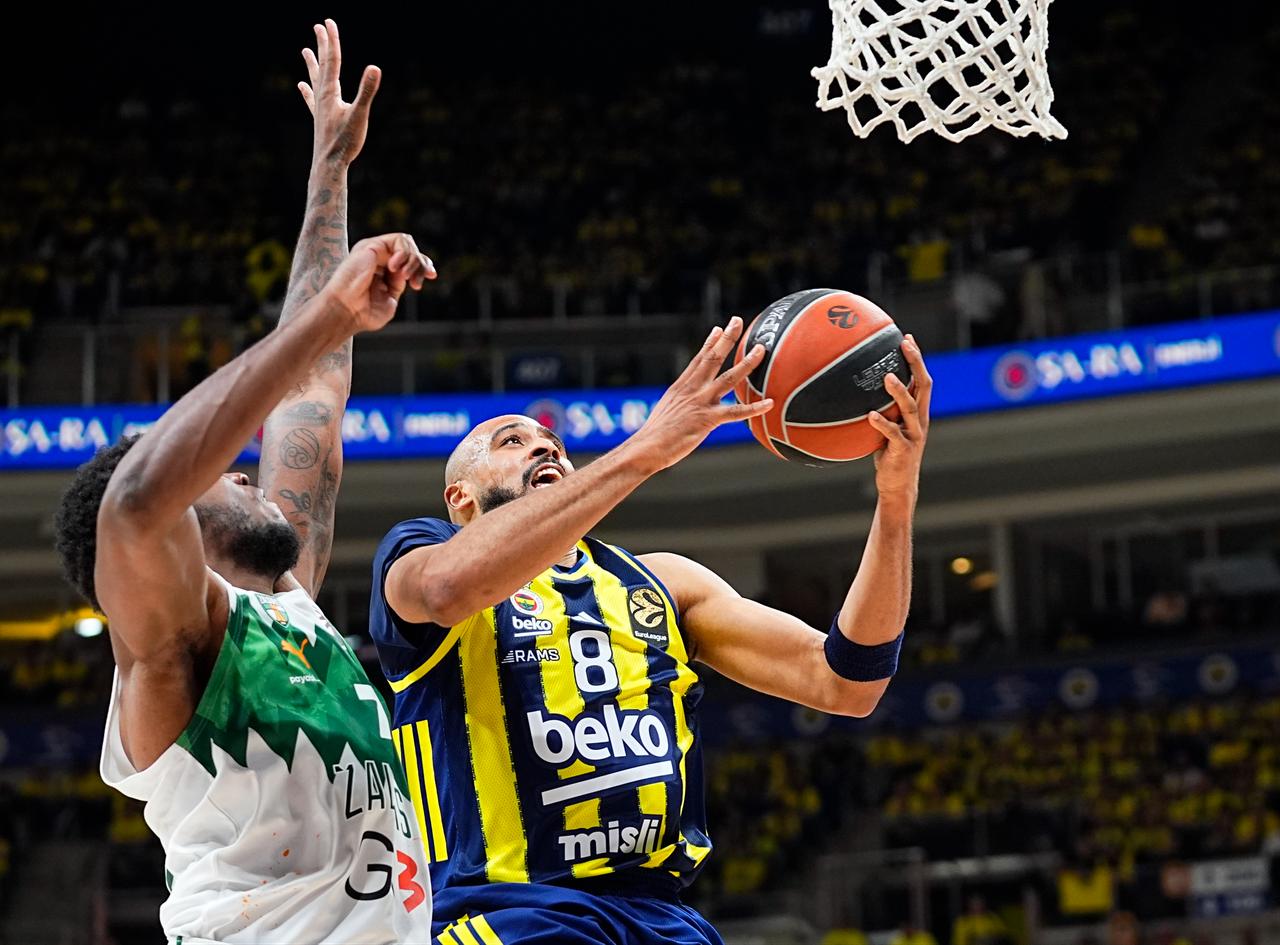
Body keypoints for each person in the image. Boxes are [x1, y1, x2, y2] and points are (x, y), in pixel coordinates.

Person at [51, 21, 438, 944]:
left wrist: (329, 177)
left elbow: (313, 386)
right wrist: (324, 314)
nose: (243, 468)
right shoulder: (173, 651)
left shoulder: (290, 604)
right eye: (218, 472)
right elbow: (137, 498)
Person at [369, 322, 931, 943]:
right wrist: (647, 447)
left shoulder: (664, 583)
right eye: (512, 440)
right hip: (509, 913)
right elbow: (449, 590)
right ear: (461, 498)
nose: (545, 448)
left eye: (553, 442)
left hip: (661, 918)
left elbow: (846, 681)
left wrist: (896, 499)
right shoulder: (423, 550)